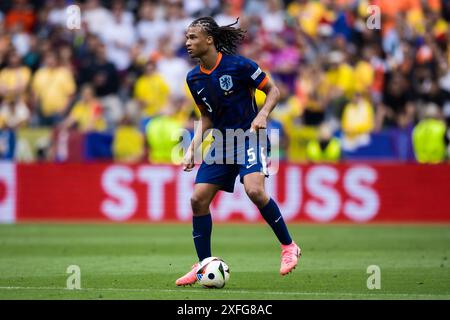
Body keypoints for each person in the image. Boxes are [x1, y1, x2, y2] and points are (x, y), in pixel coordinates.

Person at [176, 16, 301, 286]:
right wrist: (191, 149)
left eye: (192, 37)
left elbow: (274, 90)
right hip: (222, 142)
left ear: (209, 40)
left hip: (249, 136)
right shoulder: (193, 77)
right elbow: (206, 118)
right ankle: (203, 265)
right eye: (187, 38)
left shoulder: (239, 65)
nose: (187, 43)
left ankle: (289, 246)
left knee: (254, 190)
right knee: (198, 200)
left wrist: (263, 115)